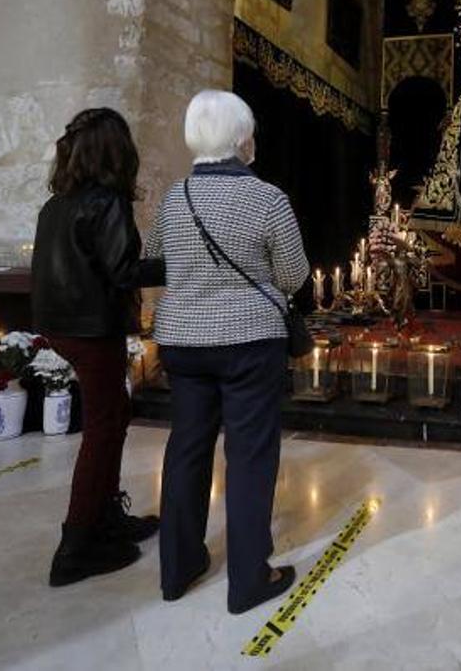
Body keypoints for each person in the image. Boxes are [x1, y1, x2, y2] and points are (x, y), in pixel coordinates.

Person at [146, 90, 309, 611]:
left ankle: (177, 568)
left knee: (187, 448)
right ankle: (247, 580)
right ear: (243, 140)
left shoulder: (176, 198)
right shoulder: (268, 198)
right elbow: (294, 276)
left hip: (183, 342)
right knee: (250, 456)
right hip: (250, 343)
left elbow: (154, 261)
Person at [32, 107, 165, 587]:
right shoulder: (106, 201)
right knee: (104, 427)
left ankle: (106, 516)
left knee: (113, 418)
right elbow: (125, 271)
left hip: (62, 326)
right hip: (91, 330)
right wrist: (179, 265)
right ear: (116, 150)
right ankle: (76, 546)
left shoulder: (57, 203)